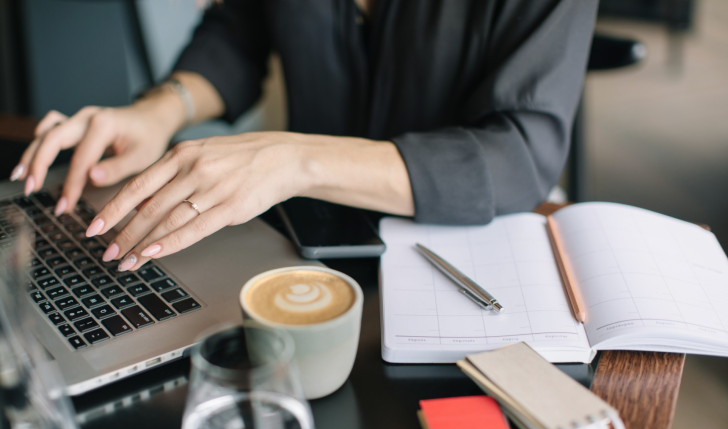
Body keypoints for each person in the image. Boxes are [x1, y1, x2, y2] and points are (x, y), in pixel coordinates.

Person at [10, 0, 597, 272]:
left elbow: (519, 153)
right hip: (312, 236)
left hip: (471, 246)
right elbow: (243, 28)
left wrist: (295, 159)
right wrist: (162, 110)